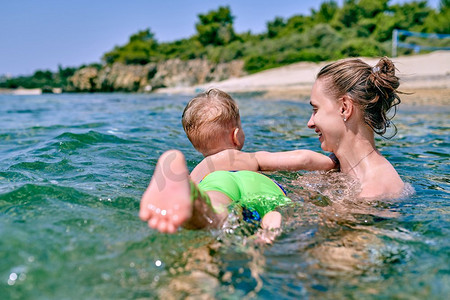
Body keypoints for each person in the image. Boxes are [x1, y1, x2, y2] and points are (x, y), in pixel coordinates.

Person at [140, 88, 337, 235]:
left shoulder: (202, 169)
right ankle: (271, 221)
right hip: (260, 186)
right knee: (275, 209)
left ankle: (195, 204)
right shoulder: (250, 158)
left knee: (215, 207)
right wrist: (331, 163)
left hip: (217, 183)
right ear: (236, 136)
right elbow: (301, 158)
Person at [307, 56, 404, 198]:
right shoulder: (336, 169)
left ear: (345, 108)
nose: (310, 123)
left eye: (316, 110)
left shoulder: (372, 193)